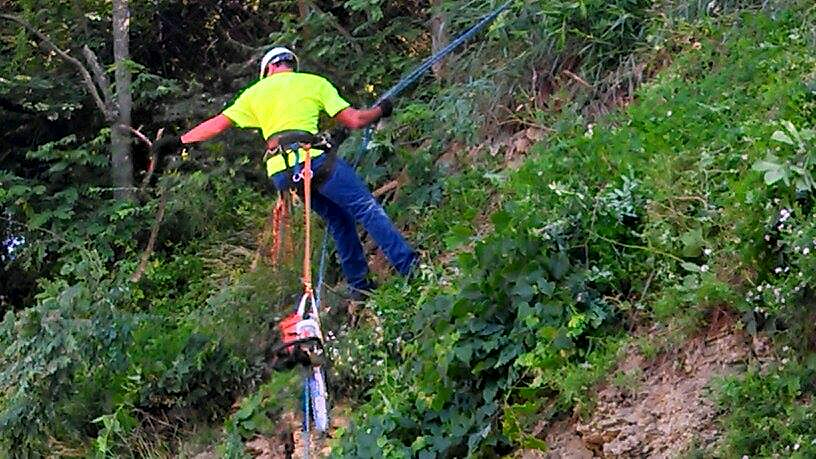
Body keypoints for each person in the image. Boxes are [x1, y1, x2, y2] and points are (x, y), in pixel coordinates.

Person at [153, 47, 416, 297]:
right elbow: (356, 120)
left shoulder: (253, 93)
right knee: (366, 208)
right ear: (292, 66)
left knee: (339, 219)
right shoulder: (313, 83)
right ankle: (410, 268)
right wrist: (382, 109)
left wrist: (180, 141)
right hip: (312, 160)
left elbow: (216, 125)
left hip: (282, 172)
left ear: (268, 69)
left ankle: (359, 287)